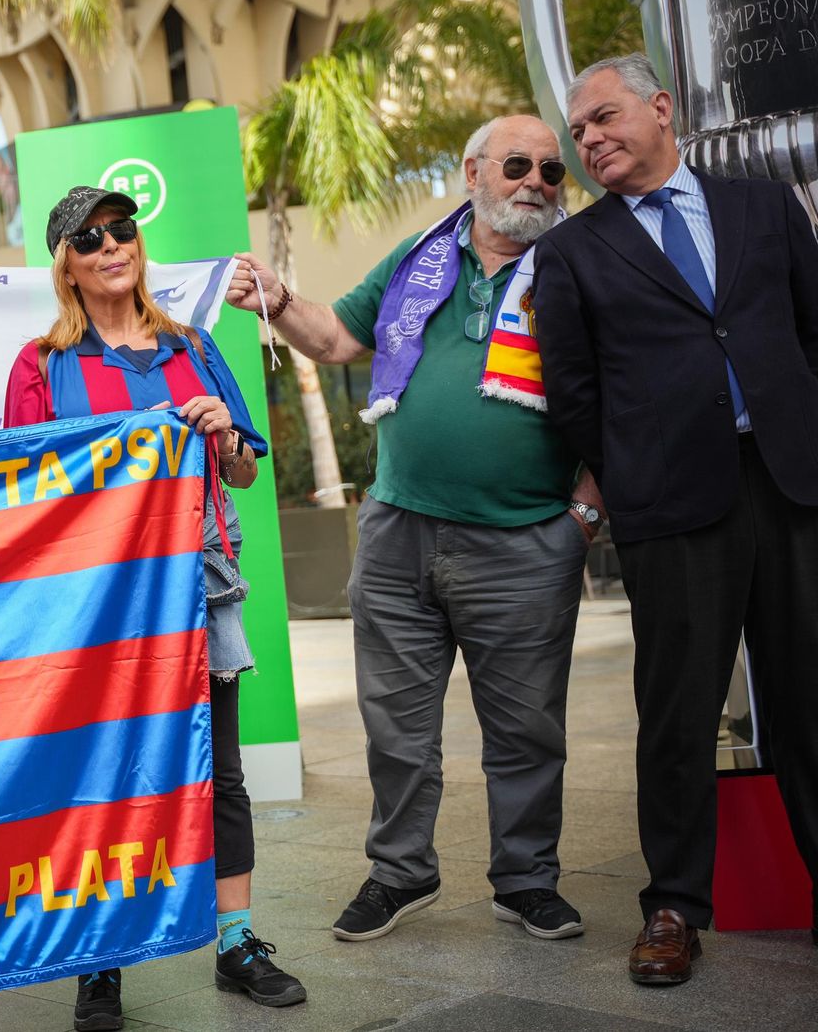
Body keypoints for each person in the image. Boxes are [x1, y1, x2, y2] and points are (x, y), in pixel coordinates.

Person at [229, 115, 598, 945]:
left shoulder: (582, 263)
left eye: (551, 170)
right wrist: (277, 297)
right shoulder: (419, 257)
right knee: (396, 728)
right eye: (517, 164)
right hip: (399, 535)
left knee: (528, 731)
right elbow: (336, 337)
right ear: (473, 170)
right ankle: (401, 873)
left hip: (527, 540)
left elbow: (632, 391)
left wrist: (584, 515)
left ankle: (527, 881)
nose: (537, 181)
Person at [533, 53, 818, 984]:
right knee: (678, 714)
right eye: (579, 133)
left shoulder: (765, 207)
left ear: (664, 109)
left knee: (809, 694)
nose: (590, 141)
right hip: (671, 505)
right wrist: (635, 474)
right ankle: (673, 908)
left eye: (604, 119)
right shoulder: (571, 251)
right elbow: (575, 394)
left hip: (791, 484)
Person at [5, 186, 306, 1031]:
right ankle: (101, 962)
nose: (113, 245)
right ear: (65, 262)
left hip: (197, 585)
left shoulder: (194, 346)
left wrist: (220, 434)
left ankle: (236, 940)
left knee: (224, 772)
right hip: (97, 603)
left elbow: (244, 469)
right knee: (102, 777)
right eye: (90, 236)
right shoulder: (41, 364)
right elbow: (19, 493)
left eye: (123, 229)